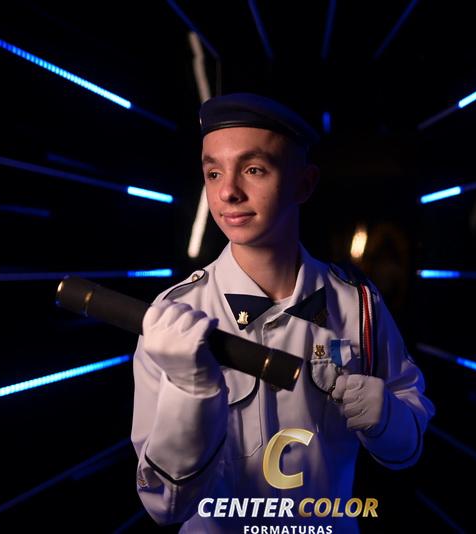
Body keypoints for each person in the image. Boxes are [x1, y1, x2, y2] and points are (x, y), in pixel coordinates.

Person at [130, 92, 435, 533]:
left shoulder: (358, 304)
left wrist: (388, 416)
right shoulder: (173, 317)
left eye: (254, 169)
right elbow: (164, 505)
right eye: (213, 172)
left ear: (303, 184)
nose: (228, 191)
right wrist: (189, 392)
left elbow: (406, 451)